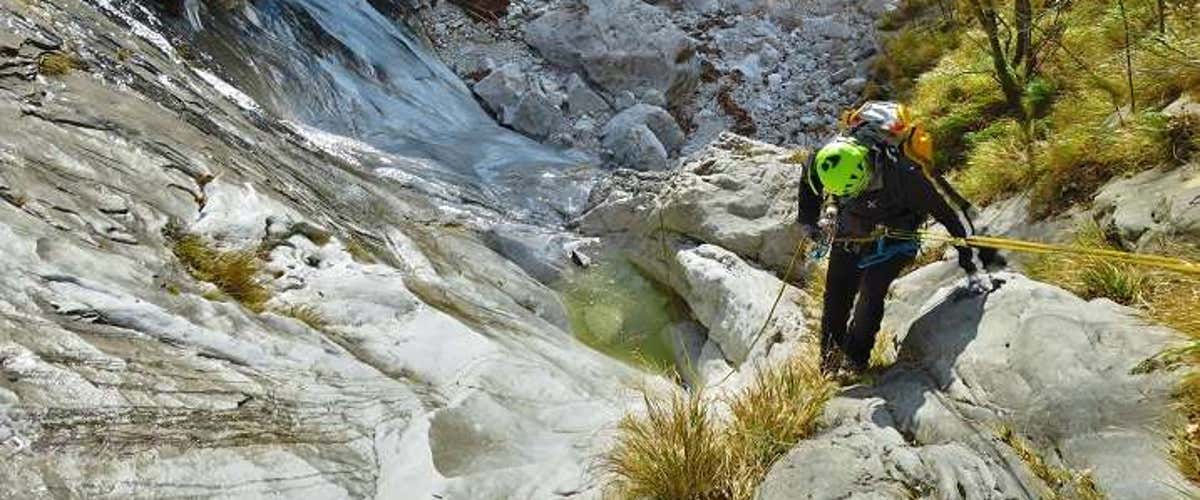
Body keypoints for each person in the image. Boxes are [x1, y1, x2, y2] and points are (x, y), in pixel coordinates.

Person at [797, 134, 1000, 375]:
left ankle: (854, 360)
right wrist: (809, 223)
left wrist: (972, 262)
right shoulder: (821, 161)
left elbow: (951, 213)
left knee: (871, 292)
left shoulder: (907, 175)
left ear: (866, 167)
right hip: (850, 232)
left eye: (858, 189)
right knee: (836, 297)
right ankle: (829, 365)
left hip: (895, 239)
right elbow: (808, 184)